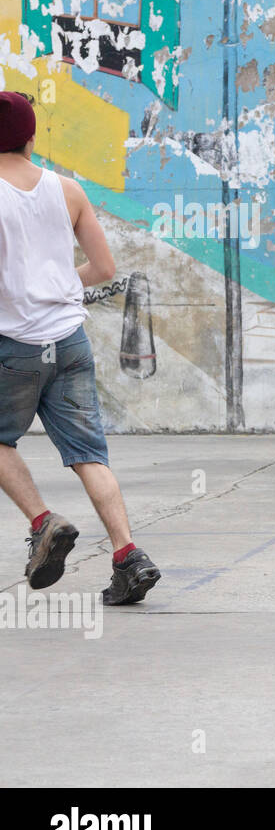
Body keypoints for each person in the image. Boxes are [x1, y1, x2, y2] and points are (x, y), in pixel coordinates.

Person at [0, 91, 161, 603]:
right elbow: (105, 270)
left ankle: (44, 521)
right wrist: (57, 287)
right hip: (69, 341)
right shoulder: (66, 190)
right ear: (31, 136)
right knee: (91, 454)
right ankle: (127, 555)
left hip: (14, 345)